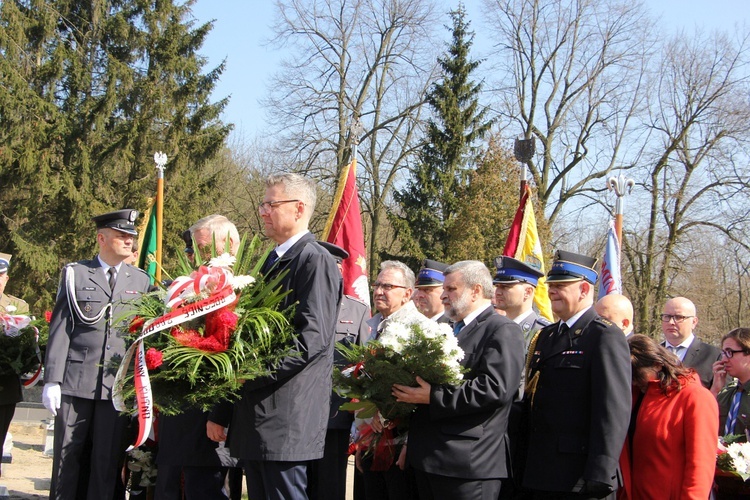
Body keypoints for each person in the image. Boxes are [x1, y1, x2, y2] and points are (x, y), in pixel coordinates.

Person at [208, 173, 341, 500]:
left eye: (271, 203)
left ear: (298, 209)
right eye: (262, 204)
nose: (262, 211)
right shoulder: (271, 259)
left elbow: (311, 339)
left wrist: (250, 374)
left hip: (287, 413)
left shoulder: (315, 260)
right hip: (258, 411)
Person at [42, 209, 151, 500]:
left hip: (116, 388)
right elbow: (62, 328)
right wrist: (52, 379)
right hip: (76, 383)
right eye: (122, 236)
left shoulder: (141, 281)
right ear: (102, 238)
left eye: (132, 237)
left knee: (106, 461)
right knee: (68, 457)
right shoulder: (76, 274)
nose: (130, 242)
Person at [393, 260, 525, 500]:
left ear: (475, 291)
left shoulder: (501, 329)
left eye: (451, 289)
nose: (443, 295)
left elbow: (496, 389)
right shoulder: (443, 327)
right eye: (444, 289)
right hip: (427, 459)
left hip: (467, 465)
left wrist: (433, 396)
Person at [523, 250, 631, 499]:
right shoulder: (547, 336)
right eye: (551, 285)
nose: (551, 291)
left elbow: (613, 409)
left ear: (584, 290)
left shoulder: (604, 336)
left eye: (560, 285)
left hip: (578, 475)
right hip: (540, 469)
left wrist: (600, 471)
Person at [155, 216, 242, 500]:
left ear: (226, 247)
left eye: (199, 246)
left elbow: (239, 365)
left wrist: (220, 415)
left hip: (210, 423)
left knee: (205, 491)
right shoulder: (179, 289)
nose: (191, 253)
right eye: (191, 247)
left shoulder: (240, 291)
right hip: (175, 416)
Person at [619, 335, 718, 500]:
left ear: (658, 364)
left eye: (637, 375)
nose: (634, 382)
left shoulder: (695, 397)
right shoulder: (635, 396)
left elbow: (700, 465)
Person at [307, 241, 370, 500]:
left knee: (330, 484)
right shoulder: (301, 305)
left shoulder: (357, 310)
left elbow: (364, 366)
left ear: (341, 272)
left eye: (335, 268)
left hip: (335, 415)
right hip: (301, 412)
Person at [360, 260, 421, 500]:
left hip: (400, 440)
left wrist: (387, 415)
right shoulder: (375, 325)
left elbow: (417, 387)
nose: (377, 291)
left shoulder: (419, 329)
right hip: (372, 435)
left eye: (387, 286)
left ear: (407, 293)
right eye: (376, 285)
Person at [0, 254, 28, 478]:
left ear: (7, 279)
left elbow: (27, 344)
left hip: (5, 387)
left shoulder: (18, 305)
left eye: (0, 275)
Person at [660, 296, 720, 388]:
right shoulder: (652, 354)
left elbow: (722, 397)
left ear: (694, 322)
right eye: (667, 316)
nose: (671, 322)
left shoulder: (713, 356)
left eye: (679, 317)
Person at [492, 256, 550, 348]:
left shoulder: (543, 332)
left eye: (505, 287)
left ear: (528, 292)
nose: (498, 292)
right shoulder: (492, 327)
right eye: (497, 286)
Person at [710, 327, 750, 436]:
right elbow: (702, 421)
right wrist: (715, 390)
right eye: (724, 353)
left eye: (730, 352)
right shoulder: (726, 393)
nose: (724, 360)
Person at [412, 260, 450, 324]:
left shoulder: (453, 327)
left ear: (444, 291)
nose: (419, 295)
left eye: (427, 290)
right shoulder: (415, 323)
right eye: (419, 289)